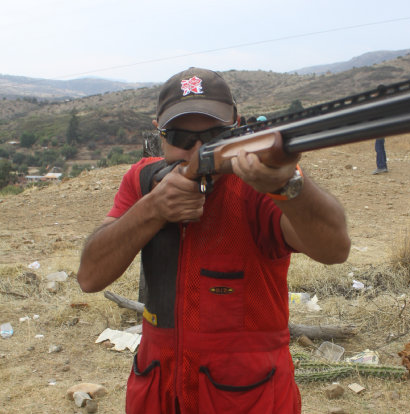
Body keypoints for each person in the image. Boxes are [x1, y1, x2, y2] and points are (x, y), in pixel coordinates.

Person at [77, 67, 351, 414]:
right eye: (180, 137)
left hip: (247, 398)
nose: (196, 151)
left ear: (236, 126)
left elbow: (335, 248)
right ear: (159, 133)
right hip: (158, 393)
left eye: (214, 135)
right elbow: (90, 276)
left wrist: (288, 186)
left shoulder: (258, 186)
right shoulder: (144, 180)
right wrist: (153, 209)